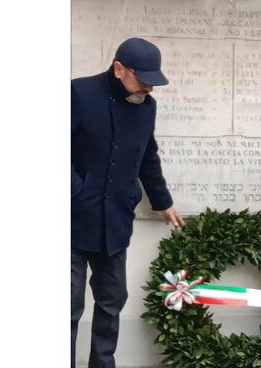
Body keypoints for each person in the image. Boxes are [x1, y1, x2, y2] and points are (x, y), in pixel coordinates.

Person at [71, 37, 185, 368]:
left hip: (116, 222)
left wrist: (163, 201)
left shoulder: (147, 107)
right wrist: (76, 190)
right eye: (144, 79)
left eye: (154, 81)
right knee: (68, 305)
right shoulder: (78, 93)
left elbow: (148, 157)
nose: (150, 87)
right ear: (119, 69)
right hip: (72, 220)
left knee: (112, 301)